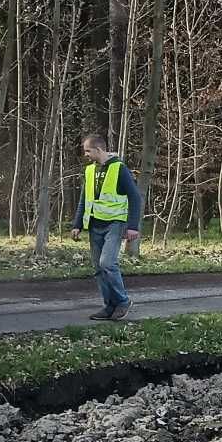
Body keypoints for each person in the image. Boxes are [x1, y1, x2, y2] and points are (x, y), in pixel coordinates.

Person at [76, 129, 142, 320]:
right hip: (95, 224)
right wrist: (77, 224)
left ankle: (123, 301)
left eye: (88, 151)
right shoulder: (89, 171)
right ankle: (109, 306)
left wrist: (132, 226)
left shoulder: (119, 168)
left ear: (98, 149)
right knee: (98, 268)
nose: (86, 155)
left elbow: (135, 197)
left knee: (107, 263)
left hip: (115, 223)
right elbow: (84, 199)